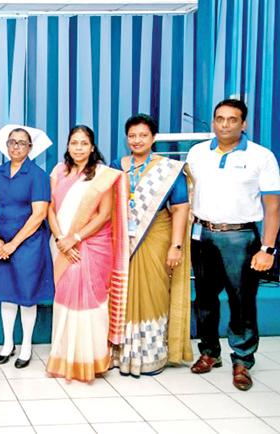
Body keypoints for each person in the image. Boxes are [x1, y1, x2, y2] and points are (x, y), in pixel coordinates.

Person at [185, 99, 279, 391]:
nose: (225, 124)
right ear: (213, 122)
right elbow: (189, 190)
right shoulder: (198, 152)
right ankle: (210, 352)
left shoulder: (261, 156)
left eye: (232, 119)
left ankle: (242, 360)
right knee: (204, 299)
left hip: (240, 238)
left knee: (241, 302)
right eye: (219, 119)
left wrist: (267, 249)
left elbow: (273, 207)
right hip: (202, 234)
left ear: (244, 124)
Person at [110, 114, 193, 377]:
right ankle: (122, 354)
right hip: (122, 237)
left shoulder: (168, 169)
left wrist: (176, 246)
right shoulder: (116, 165)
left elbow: (180, 208)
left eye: (143, 135)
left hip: (157, 235)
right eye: (132, 136)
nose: (137, 140)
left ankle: (151, 356)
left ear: (153, 138)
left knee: (154, 292)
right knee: (122, 293)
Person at [46, 125, 129, 382]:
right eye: (74, 142)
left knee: (91, 299)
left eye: (84, 143)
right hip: (61, 244)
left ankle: (90, 359)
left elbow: (104, 215)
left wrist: (76, 238)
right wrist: (62, 239)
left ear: (92, 147)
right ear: (68, 145)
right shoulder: (58, 171)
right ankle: (63, 357)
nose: (79, 148)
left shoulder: (103, 175)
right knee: (65, 295)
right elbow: (51, 208)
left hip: (93, 245)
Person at [0, 128, 54, 367]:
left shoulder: (37, 175)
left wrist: (13, 244)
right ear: (6, 145)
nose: (16, 147)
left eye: (22, 143)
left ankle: (26, 347)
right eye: (12, 143)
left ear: (30, 148)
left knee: (26, 296)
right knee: (6, 295)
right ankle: (7, 344)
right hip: (0, 243)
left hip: (28, 246)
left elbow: (39, 215)